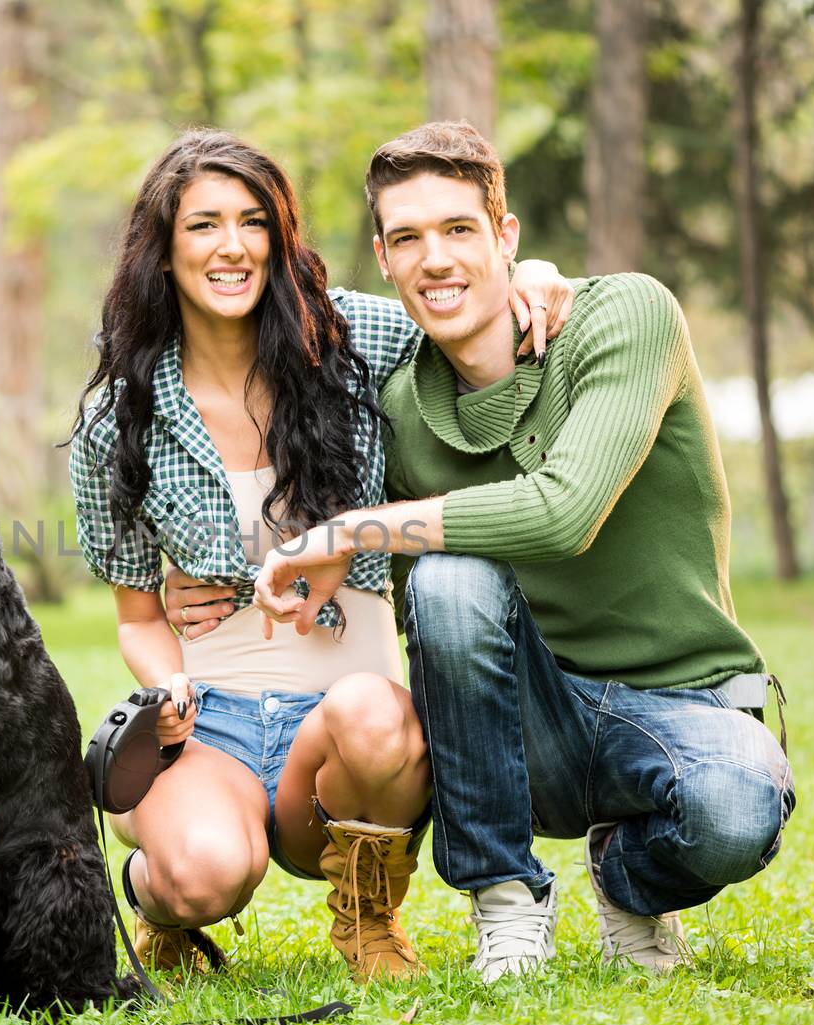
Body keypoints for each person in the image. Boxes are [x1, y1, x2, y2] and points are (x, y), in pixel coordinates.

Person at [178, 121, 797, 984]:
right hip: (518, 730)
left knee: (735, 811)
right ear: (385, 262)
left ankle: (627, 882)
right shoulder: (396, 401)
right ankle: (505, 900)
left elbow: (563, 514)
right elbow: (251, 349)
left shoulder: (627, 316)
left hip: (675, 704)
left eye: (459, 229)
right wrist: (208, 587)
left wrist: (360, 526)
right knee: (451, 579)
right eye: (408, 239)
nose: (436, 259)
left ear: (507, 237)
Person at [68, 129, 574, 981]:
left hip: (344, 728)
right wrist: (169, 684)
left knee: (374, 719)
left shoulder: (352, 341)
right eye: (203, 226)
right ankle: (159, 900)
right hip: (213, 725)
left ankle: (370, 916)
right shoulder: (119, 418)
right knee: (199, 876)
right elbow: (138, 616)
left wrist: (529, 275)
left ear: (279, 236)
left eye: (252, 221)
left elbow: (452, 303)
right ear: (162, 250)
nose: (232, 246)